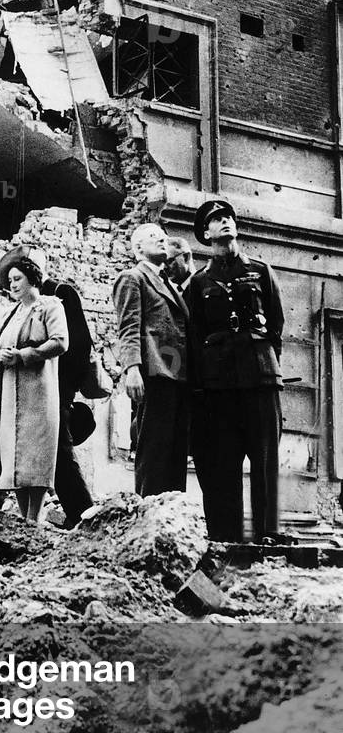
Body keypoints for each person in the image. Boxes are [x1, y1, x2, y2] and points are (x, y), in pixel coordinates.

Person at [188, 199, 284, 543]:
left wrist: (267, 366)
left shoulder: (261, 271)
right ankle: (229, 538)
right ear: (205, 233)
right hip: (220, 386)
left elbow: (276, 326)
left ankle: (268, 532)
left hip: (260, 379)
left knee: (265, 458)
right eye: (216, 219)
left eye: (228, 217)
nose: (225, 222)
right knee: (224, 461)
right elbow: (195, 336)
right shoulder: (198, 283)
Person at [0, 255, 68, 522]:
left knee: (36, 453)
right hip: (10, 394)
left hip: (39, 391)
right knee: (14, 455)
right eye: (10, 281)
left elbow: (60, 342)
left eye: (18, 278)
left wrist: (24, 355)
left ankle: (35, 518)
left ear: (32, 278)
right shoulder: (9, 313)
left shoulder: (50, 306)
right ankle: (23, 518)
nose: (13, 284)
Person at [112, 222, 189, 496]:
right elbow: (128, 326)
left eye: (163, 236)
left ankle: (173, 513)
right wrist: (131, 369)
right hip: (155, 373)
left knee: (175, 451)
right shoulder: (133, 277)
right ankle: (148, 511)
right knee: (154, 449)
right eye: (153, 236)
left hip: (177, 373)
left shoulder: (167, 282)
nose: (161, 240)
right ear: (138, 248)